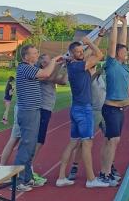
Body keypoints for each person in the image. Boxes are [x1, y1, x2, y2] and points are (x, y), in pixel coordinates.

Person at [56, 34, 109, 188]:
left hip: (75, 108)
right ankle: (91, 179)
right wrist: (89, 42)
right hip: (84, 109)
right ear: (72, 54)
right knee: (87, 144)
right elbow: (99, 55)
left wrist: (98, 38)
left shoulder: (72, 65)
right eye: (78, 52)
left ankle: (61, 177)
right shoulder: (79, 66)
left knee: (73, 143)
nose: (81, 53)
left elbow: (88, 54)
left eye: (81, 51)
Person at [14, 44, 64, 192]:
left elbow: (48, 72)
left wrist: (58, 63)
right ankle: (18, 180)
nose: (37, 55)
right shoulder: (25, 68)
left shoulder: (31, 68)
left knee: (31, 146)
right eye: (34, 53)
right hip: (28, 112)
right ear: (26, 56)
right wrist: (54, 60)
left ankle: (27, 177)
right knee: (26, 145)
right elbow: (46, 73)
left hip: (34, 111)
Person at [100, 14, 129, 184]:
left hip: (119, 109)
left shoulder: (124, 67)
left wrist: (124, 23)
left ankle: (106, 170)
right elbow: (114, 43)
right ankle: (105, 174)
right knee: (113, 140)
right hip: (111, 108)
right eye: (123, 51)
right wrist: (114, 24)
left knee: (110, 141)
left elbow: (122, 43)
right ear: (117, 53)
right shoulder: (112, 64)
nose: (126, 52)